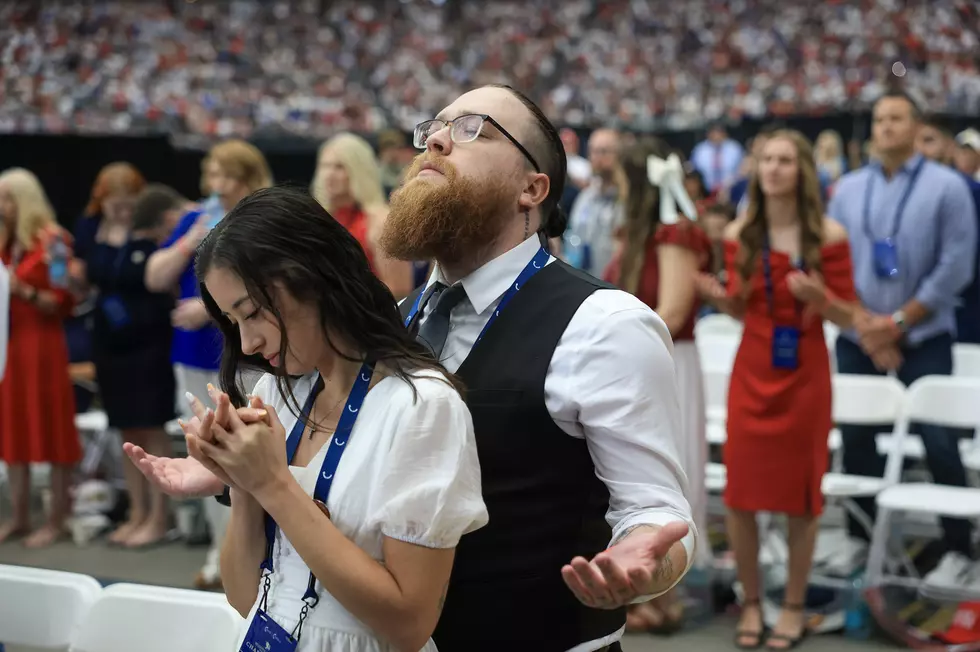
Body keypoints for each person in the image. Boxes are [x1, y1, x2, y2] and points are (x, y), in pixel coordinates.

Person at [128, 85, 696, 652]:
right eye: (434, 128)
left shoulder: (605, 323)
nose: (437, 141)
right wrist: (239, 469)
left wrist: (643, 561)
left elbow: (655, 512)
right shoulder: (391, 322)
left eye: (473, 128)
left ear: (532, 187)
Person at [128, 187, 487, 651]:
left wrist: (273, 484)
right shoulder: (273, 393)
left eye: (254, 312)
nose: (250, 342)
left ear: (314, 278)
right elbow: (244, 597)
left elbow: (408, 624)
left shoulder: (422, 408)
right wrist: (242, 480)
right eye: (232, 323)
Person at [696, 130, 858, 650]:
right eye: (766, 158)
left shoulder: (829, 235)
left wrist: (819, 297)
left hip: (807, 372)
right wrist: (716, 299)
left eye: (785, 159)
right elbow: (744, 307)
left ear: (803, 170)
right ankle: (751, 603)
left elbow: (850, 315)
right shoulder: (740, 232)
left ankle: (791, 605)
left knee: (802, 500)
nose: (773, 168)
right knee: (741, 495)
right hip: (753, 368)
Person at [828, 92, 978, 589]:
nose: (885, 126)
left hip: (922, 331)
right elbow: (836, 265)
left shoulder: (948, 187)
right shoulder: (848, 189)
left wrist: (896, 323)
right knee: (856, 437)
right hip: (859, 332)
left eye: (896, 118)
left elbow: (955, 266)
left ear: (916, 127)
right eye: (879, 119)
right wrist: (870, 329)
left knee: (939, 440)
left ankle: (959, 546)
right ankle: (860, 537)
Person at [144, 138, 273, 590]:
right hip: (192, 355)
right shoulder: (196, 217)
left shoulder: (262, 216)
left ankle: (250, 556)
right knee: (201, 452)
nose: (216, 183)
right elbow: (154, 274)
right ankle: (219, 556)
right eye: (212, 173)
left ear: (246, 177)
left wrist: (211, 309)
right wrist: (188, 244)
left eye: (226, 174)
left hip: (247, 352)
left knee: (242, 447)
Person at [603, 140, 711, 634]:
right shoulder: (637, 231)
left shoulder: (674, 232)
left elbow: (672, 310)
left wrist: (613, 349)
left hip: (664, 361)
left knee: (666, 473)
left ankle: (666, 590)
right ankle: (646, 591)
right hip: (637, 360)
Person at [88, 184, 182, 548]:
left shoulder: (161, 249)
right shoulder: (112, 244)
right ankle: (137, 513)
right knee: (127, 434)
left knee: (151, 431)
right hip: (113, 349)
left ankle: (160, 517)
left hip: (148, 348)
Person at [0, 168, 80, 548]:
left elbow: (64, 302)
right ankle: (18, 516)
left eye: (6, 198)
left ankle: (57, 519)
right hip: (10, 345)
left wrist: (23, 290)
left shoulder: (55, 242)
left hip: (43, 346)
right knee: (12, 429)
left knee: (51, 429)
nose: (1, 206)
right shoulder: (6, 243)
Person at [310, 133, 413, 299]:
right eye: (324, 165)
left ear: (358, 170)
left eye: (339, 167)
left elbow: (399, 290)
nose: (328, 174)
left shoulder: (380, 221)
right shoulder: (320, 219)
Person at [915, 115, 980, 345]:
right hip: (913, 321)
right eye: (915, 141)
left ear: (950, 146)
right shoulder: (902, 196)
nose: (919, 150)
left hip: (965, 315)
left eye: (928, 140)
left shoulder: (971, 193)